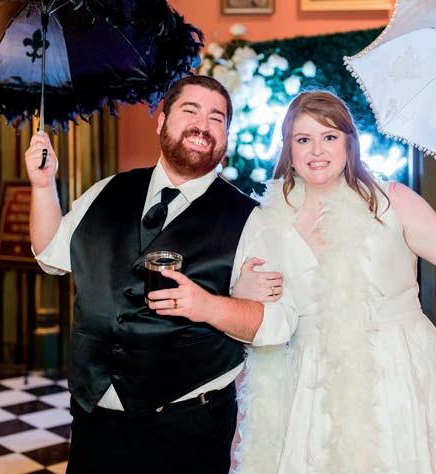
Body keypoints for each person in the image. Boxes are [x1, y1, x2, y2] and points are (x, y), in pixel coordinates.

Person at [25, 75, 296, 474]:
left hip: (187, 430)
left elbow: (278, 324)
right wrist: (42, 185)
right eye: (191, 110)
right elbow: (50, 253)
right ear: (162, 120)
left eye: (217, 118)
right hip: (95, 421)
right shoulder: (106, 191)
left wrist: (207, 305)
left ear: (226, 136)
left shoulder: (250, 220)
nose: (203, 125)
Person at [230, 91, 436, 473]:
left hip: (395, 377)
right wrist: (241, 293)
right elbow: (250, 318)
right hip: (305, 388)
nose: (317, 150)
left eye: (329, 136)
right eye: (303, 139)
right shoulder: (264, 220)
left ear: (349, 144)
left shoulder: (392, 202)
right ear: (288, 148)